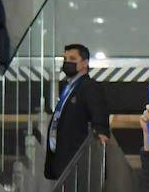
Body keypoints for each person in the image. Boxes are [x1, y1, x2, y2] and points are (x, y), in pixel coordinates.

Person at [42, 43, 108, 180]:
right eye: (65, 59)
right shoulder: (67, 88)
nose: (67, 63)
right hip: (60, 157)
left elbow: (99, 116)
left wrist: (101, 135)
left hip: (76, 160)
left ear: (85, 63)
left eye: (72, 59)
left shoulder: (89, 87)